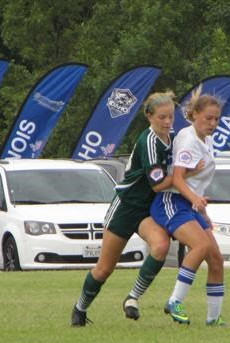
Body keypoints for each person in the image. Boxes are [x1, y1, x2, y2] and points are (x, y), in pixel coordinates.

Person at [70, 91, 177, 327]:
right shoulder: (148, 141)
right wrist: (185, 175)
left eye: (171, 116)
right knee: (105, 268)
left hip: (147, 209)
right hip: (126, 207)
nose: (168, 122)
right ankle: (79, 309)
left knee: (160, 247)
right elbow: (159, 184)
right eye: (162, 117)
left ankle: (132, 298)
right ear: (149, 116)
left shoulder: (173, 139)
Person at [150, 88, 226, 326]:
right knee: (201, 245)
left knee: (216, 261)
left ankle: (213, 319)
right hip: (172, 201)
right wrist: (194, 199)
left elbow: (196, 184)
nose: (212, 123)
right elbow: (178, 179)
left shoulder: (206, 140)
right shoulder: (188, 139)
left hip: (190, 204)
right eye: (208, 118)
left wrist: (203, 211)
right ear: (194, 115)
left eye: (216, 119)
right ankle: (174, 301)